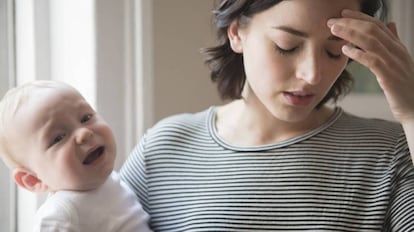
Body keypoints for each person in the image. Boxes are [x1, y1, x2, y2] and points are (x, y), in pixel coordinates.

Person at [120, 0, 414, 231]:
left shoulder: (391, 151)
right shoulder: (163, 149)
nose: (311, 75)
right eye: (287, 46)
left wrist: (412, 113)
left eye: (334, 52)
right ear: (236, 32)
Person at [0, 80, 152, 232]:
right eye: (58, 138)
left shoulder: (109, 179)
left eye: (86, 118)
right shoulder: (60, 215)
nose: (83, 133)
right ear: (33, 179)